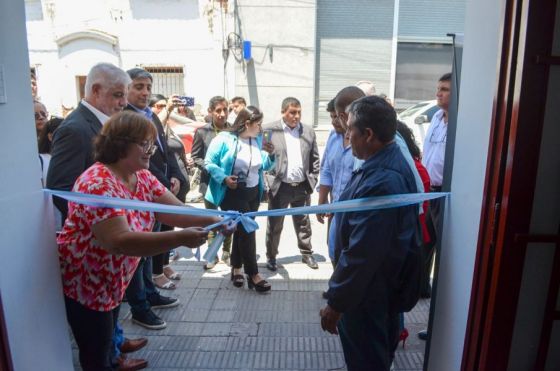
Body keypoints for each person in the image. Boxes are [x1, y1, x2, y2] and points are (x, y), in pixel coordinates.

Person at [57, 111, 223, 371]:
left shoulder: (140, 175)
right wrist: (180, 238)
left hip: (113, 280)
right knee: (95, 352)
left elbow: (177, 211)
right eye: (144, 144)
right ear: (120, 143)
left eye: (152, 144)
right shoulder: (97, 183)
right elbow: (120, 241)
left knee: (109, 334)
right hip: (87, 283)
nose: (151, 151)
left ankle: (114, 357)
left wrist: (218, 218)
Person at [46, 63, 148, 370]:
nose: (123, 102)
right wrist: (101, 221)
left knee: (109, 315)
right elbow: (61, 187)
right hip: (95, 247)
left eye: (124, 95)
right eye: (118, 95)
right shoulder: (75, 129)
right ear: (95, 90)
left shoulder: (102, 123)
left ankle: (114, 349)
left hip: (112, 255)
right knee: (95, 332)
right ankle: (108, 354)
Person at [319, 96, 419, 370]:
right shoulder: (383, 163)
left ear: (369, 134)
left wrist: (336, 302)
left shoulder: (383, 180)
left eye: (350, 128)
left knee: (367, 362)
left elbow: (363, 252)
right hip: (372, 290)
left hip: (367, 295)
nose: (347, 135)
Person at [124, 68, 185, 331]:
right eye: (138, 86)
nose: (145, 92)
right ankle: (139, 307)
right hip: (139, 196)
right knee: (138, 254)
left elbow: (163, 151)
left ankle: (150, 293)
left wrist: (172, 176)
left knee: (149, 253)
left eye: (148, 87)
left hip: (158, 190)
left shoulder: (151, 116)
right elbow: (138, 162)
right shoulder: (124, 119)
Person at [205, 106, 275, 292]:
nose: (260, 128)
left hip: (253, 192)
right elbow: (208, 163)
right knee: (248, 231)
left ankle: (236, 269)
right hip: (232, 193)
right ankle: (253, 274)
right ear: (247, 123)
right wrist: (225, 178)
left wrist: (271, 154)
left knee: (241, 232)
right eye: (258, 124)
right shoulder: (224, 139)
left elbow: (264, 166)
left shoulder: (258, 139)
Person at [263, 97, 320, 271]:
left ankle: (306, 253)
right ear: (283, 112)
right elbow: (263, 157)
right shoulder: (269, 130)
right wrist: (267, 182)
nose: (296, 116)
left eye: (299, 112)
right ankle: (271, 256)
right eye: (292, 112)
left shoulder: (308, 132)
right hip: (280, 187)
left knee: (303, 222)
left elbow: (315, 159)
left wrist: (313, 179)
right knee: (275, 224)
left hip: (302, 186)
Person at [418, 72, 452, 341]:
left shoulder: (460, 123)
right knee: (422, 248)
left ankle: (439, 324)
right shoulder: (436, 120)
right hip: (429, 195)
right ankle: (419, 290)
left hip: (447, 196)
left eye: (445, 90)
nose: (439, 93)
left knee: (445, 259)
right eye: (438, 88)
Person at [191, 96, 232, 269]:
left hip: (230, 184)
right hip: (210, 184)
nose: (222, 114)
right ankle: (211, 254)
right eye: (218, 110)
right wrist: (213, 171)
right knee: (213, 220)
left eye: (225, 110)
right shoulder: (202, 132)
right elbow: (196, 157)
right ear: (211, 112)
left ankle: (227, 252)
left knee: (230, 218)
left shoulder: (234, 130)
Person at [316, 98, 354, 268]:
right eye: (331, 117)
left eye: (337, 117)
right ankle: (337, 286)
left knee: (351, 253)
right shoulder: (333, 137)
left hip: (356, 211)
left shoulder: (362, 139)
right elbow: (326, 170)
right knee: (334, 250)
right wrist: (322, 201)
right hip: (335, 208)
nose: (334, 122)